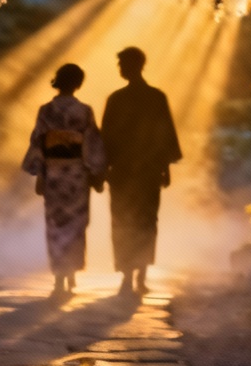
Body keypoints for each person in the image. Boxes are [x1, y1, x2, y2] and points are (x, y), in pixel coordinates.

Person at [101, 46, 181, 296]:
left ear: (134, 66)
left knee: (124, 220)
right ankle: (139, 276)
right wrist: (165, 168)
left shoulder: (117, 99)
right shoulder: (156, 97)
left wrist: (103, 167)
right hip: (146, 171)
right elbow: (165, 135)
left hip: (124, 171)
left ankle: (128, 275)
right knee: (146, 221)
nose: (121, 70)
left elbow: (106, 138)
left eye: (123, 65)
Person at [22, 63, 106, 299]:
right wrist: (96, 172)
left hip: (54, 174)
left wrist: (39, 173)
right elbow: (92, 143)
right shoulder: (84, 111)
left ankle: (60, 277)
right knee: (76, 225)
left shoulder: (46, 111)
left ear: (58, 81)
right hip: (77, 175)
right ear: (78, 84)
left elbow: (38, 142)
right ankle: (70, 275)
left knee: (56, 225)